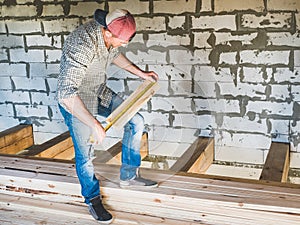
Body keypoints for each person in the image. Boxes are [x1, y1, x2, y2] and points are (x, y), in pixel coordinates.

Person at [56, 8, 159, 224]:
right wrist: (94, 124)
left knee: (136, 121)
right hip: (77, 102)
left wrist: (141, 73)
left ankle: (129, 175)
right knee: (85, 154)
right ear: (108, 32)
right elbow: (65, 94)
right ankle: (92, 198)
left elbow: (115, 55)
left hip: (98, 92)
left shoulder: (109, 35)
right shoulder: (81, 45)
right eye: (122, 40)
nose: (124, 44)